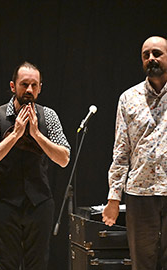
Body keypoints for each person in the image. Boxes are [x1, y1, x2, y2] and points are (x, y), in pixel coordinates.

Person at [0, 61, 70, 270]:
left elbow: (64, 158)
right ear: (13, 86)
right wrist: (15, 135)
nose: (29, 90)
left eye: (34, 85)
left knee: (37, 265)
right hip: (4, 202)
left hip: (40, 203)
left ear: (40, 88)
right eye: (24, 84)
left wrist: (36, 135)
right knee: (7, 265)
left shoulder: (49, 116)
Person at [102, 36, 167, 270]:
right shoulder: (128, 99)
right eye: (146, 54)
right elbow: (121, 152)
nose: (151, 58)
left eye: (157, 53)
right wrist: (113, 197)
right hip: (140, 194)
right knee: (143, 264)